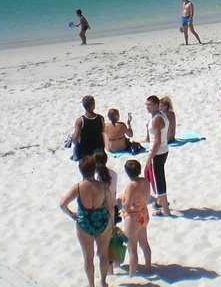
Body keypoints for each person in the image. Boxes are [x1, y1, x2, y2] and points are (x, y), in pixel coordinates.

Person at [59, 154, 114, 287]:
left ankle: (91, 284)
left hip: (85, 224)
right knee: (103, 254)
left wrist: (72, 214)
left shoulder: (78, 187)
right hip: (102, 222)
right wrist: (111, 223)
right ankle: (103, 281)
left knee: (88, 258)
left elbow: (62, 204)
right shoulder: (104, 186)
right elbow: (110, 207)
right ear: (94, 169)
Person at [119, 160, 152, 278]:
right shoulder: (145, 181)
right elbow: (147, 197)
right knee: (144, 243)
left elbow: (127, 205)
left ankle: (132, 274)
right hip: (143, 213)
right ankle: (148, 267)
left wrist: (122, 203)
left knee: (132, 249)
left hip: (133, 217)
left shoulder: (131, 185)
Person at [143, 95, 171, 215]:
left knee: (159, 180)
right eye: (146, 104)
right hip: (163, 150)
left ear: (156, 105)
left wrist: (149, 158)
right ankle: (160, 203)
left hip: (158, 152)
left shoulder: (156, 119)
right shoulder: (161, 115)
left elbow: (157, 141)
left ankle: (166, 211)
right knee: (159, 178)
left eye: (149, 104)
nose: (147, 107)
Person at [72, 95, 106, 161]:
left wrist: (72, 137)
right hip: (98, 151)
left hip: (85, 153)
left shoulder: (80, 121)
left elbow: (75, 139)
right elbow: (103, 131)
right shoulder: (101, 118)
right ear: (93, 105)